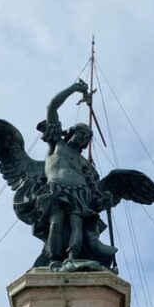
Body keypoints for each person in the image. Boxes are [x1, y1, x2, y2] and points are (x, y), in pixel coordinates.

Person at [35, 80, 114, 266]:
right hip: (57, 189)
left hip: (79, 194)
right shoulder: (56, 144)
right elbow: (51, 107)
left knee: (77, 224)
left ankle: (73, 257)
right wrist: (73, 89)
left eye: (87, 137)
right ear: (71, 133)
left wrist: (104, 198)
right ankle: (54, 258)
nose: (84, 137)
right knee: (56, 223)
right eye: (81, 132)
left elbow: (95, 191)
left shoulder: (85, 163)